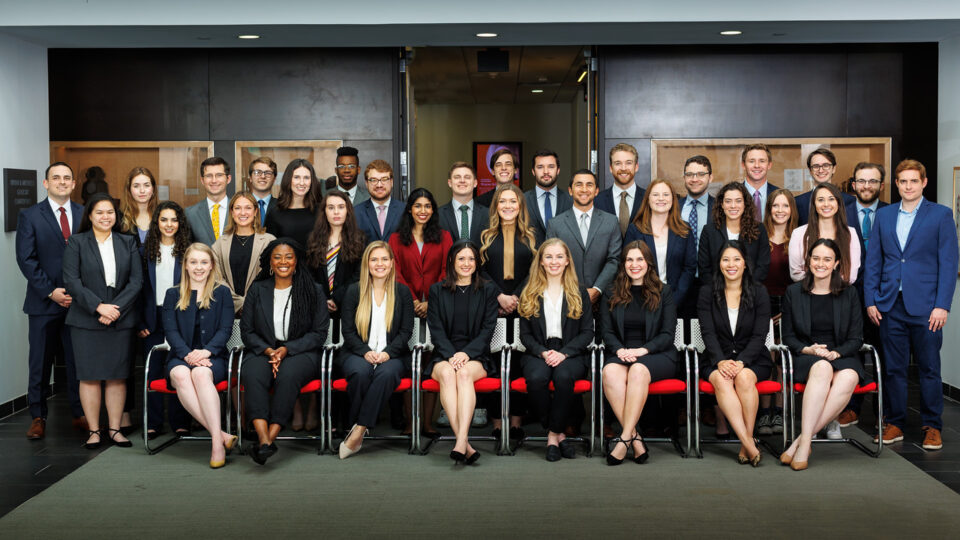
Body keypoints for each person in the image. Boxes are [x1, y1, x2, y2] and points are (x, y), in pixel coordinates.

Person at [865, 159, 958, 450]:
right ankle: (895, 423)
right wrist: (871, 300)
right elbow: (874, 261)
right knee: (894, 369)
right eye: (903, 181)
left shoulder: (941, 215)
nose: (908, 186)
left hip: (928, 306)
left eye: (913, 181)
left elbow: (948, 262)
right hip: (890, 305)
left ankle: (932, 426)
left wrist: (942, 305)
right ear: (896, 183)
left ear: (924, 183)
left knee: (929, 368)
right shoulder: (885, 215)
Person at [62, 193, 143, 449]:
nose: (106, 217)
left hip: (120, 319)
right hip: (86, 320)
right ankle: (95, 431)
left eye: (110, 212)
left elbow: (136, 281)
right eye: (99, 212)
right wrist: (99, 307)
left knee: (118, 376)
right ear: (90, 216)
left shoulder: (128, 242)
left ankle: (116, 430)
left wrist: (114, 309)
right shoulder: (76, 242)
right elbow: (72, 282)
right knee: (89, 377)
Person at [240, 239, 329, 464]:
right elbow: (247, 331)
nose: (283, 261)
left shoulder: (313, 291)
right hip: (264, 350)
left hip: (301, 351)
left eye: (288, 256)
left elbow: (319, 334)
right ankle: (264, 440)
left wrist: (286, 349)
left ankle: (269, 439)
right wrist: (270, 350)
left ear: (296, 261)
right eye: (277, 257)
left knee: (288, 375)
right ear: (270, 261)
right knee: (252, 374)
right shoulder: (257, 289)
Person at [779, 239, 865, 470]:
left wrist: (837, 352)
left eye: (827, 259)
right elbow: (788, 336)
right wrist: (809, 349)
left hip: (842, 353)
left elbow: (857, 338)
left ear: (836, 263)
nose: (820, 263)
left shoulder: (849, 293)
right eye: (816, 258)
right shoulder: (794, 292)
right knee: (822, 368)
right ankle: (806, 441)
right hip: (808, 355)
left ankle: (802, 440)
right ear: (808, 261)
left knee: (848, 377)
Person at [15, 162, 86, 439]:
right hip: (44, 302)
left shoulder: (83, 214)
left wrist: (78, 293)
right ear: (46, 183)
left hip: (79, 303)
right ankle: (37, 416)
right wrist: (51, 291)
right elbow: (26, 258)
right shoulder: (30, 215)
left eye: (67, 178)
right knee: (40, 361)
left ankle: (80, 413)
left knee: (78, 360)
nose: (62, 182)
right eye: (56, 178)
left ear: (73, 183)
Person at [599, 240, 678, 465]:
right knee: (610, 373)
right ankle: (636, 439)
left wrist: (643, 350)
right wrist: (621, 350)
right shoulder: (611, 292)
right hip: (622, 352)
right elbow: (606, 331)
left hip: (657, 353)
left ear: (648, 262)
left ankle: (623, 439)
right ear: (623, 264)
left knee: (638, 371)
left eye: (640, 259)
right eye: (630, 260)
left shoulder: (665, 292)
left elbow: (667, 334)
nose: (635, 264)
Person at [697, 240, 772, 466]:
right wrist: (720, 360)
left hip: (753, 357)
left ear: (745, 264)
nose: (731, 264)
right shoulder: (707, 292)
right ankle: (750, 444)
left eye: (736, 259)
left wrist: (742, 362)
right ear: (719, 264)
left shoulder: (759, 292)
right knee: (722, 379)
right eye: (726, 259)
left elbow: (760, 335)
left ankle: (744, 441)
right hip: (715, 356)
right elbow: (707, 332)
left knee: (745, 377)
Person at [161, 243, 237, 468]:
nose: (198, 267)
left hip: (213, 356)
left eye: (204, 262)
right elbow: (171, 331)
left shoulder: (222, 292)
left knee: (202, 375)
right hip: (179, 356)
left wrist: (206, 352)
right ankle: (220, 436)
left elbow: (226, 329)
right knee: (183, 375)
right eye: (193, 262)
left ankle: (216, 442)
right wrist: (187, 355)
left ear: (212, 265)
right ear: (185, 265)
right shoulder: (172, 293)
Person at [337, 241, 415, 458]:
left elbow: (406, 331)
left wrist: (388, 353)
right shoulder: (354, 291)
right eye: (374, 259)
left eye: (384, 259)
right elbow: (348, 331)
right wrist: (365, 352)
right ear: (367, 264)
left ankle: (358, 430)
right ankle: (358, 427)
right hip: (357, 352)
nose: (379, 264)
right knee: (360, 372)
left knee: (386, 373)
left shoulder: (403, 292)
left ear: (391, 263)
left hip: (393, 354)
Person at [517, 239, 593, 461]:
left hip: (570, 351)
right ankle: (559, 434)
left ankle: (551, 436)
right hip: (538, 350)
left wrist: (565, 353)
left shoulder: (579, 292)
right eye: (548, 257)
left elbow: (587, 333)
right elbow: (525, 336)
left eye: (559, 256)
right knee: (536, 378)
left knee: (563, 376)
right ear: (540, 261)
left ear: (568, 260)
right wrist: (542, 352)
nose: (554, 261)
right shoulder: (529, 291)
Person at [426, 241, 500, 465]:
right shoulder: (437, 290)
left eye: (471, 259)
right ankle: (463, 442)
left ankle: (460, 441)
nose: (466, 263)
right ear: (451, 261)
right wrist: (452, 355)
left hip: (476, 355)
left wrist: (466, 354)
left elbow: (488, 329)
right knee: (449, 374)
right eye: (461, 258)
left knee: (464, 374)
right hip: (443, 354)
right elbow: (436, 329)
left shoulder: (488, 290)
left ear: (477, 263)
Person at [479, 184, 538, 439]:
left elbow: (537, 271)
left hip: (522, 308)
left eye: (513, 201)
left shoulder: (533, 236)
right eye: (502, 201)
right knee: (494, 364)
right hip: (494, 309)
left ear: (520, 206)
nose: (508, 206)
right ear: (496, 206)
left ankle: (516, 422)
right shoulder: (485, 236)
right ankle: (497, 423)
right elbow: (478, 271)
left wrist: (516, 297)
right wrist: (499, 296)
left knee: (518, 365)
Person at [837, 162, 889, 429]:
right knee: (851, 351)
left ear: (881, 185)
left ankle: (885, 412)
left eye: (873, 181)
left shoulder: (893, 213)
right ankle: (851, 408)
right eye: (862, 181)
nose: (867, 186)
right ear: (853, 185)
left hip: (886, 295)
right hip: (849, 295)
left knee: (886, 354)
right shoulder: (840, 214)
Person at [139, 201, 192, 439]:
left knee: (180, 368)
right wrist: (140, 322)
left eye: (174, 220)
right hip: (152, 318)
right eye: (164, 220)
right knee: (154, 371)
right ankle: (154, 422)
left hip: (181, 317)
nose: (169, 225)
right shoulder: (144, 251)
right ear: (156, 222)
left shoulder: (189, 251)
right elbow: (138, 290)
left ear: (180, 223)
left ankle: (181, 421)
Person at [755, 188, 798, 436]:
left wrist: (788, 311)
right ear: (769, 209)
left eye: (785, 206)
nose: (780, 210)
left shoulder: (800, 236)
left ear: (792, 210)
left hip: (789, 304)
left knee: (782, 360)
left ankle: (779, 412)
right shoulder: (760, 236)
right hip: (761, 303)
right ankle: (763, 412)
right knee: (764, 358)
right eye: (775, 206)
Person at [546, 169, 621, 308]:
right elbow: (551, 261)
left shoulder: (611, 222)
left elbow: (614, 259)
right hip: (566, 298)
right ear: (570, 190)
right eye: (579, 184)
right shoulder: (555, 224)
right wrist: (573, 290)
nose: (584, 189)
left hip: (604, 300)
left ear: (596, 191)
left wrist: (597, 289)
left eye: (589, 185)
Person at [624, 178, 696, 307]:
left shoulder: (684, 230)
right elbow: (628, 265)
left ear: (673, 199)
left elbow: (689, 268)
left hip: (676, 301)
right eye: (655, 195)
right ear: (648, 199)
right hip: (642, 301)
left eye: (666, 194)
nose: (661, 198)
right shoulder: (635, 230)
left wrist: (674, 299)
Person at [389, 188, 453, 319]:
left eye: (427, 206)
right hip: (404, 305)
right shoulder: (395, 239)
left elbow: (448, 270)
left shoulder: (445, 237)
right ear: (409, 209)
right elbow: (395, 272)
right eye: (417, 206)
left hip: (438, 305)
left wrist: (431, 302)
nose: (423, 211)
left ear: (433, 210)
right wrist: (413, 300)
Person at [211, 192, 276, 314]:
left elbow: (271, 277)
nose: (242, 213)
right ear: (231, 212)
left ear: (255, 211)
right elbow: (216, 277)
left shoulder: (269, 241)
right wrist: (239, 303)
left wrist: (250, 302)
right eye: (237, 208)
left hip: (261, 309)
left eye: (248, 208)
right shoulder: (220, 243)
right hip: (228, 309)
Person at [306, 190, 367, 320]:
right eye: (331, 207)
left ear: (348, 211)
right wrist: (323, 299)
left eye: (341, 207)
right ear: (324, 212)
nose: (336, 212)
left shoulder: (360, 239)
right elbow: (309, 274)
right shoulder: (313, 239)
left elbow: (359, 274)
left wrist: (337, 298)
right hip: (319, 307)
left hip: (350, 306)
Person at [698, 182, 770, 286]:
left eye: (738, 201)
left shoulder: (759, 229)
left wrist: (744, 289)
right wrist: (721, 291)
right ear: (722, 204)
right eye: (728, 201)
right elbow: (704, 269)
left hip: (751, 292)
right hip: (716, 293)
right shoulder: (709, 231)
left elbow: (763, 266)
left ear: (745, 204)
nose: (733, 206)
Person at [788, 183, 860, 284]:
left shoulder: (851, 233)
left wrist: (826, 284)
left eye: (831, 199)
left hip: (840, 294)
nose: (826, 204)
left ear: (838, 203)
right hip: (808, 294)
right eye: (820, 200)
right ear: (814, 204)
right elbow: (795, 274)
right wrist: (820, 286)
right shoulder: (798, 234)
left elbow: (851, 276)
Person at [265, 158, 323, 247]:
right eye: (296, 177)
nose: (302, 183)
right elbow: (270, 250)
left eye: (306, 178)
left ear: (312, 181)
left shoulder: (321, 211)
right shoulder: (275, 213)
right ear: (288, 179)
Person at [596, 143, 647, 238]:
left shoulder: (648, 199)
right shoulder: (597, 200)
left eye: (628, 163)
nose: (623, 168)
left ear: (636, 167)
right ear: (611, 168)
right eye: (618, 163)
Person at [794, 148, 856, 226]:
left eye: (826, 165)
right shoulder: (797, 202)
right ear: (810, 170)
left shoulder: (850, 201)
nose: (821, 170)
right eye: (816, 166)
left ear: (833, 169)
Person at [524, 149, 572, 245]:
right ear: (533, 171)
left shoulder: (571, 200)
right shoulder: (522, 200)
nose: (546, 172)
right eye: (540, 167)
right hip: (531, 258)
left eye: (551, 167)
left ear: (558, 170)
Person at [438, 162, 490, 245]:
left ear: (475, 183)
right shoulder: (437, 215)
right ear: (450, 183)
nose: (462, 181)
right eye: (457, 177)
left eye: (467, 177)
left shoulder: (488, 214)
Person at [185, 156, 231, 246]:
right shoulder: (190, 214)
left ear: (228, 179)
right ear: (202, 180)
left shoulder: (241, 211)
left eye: (219, 175)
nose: (214, 180)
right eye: (209, 176)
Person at [355, 160, 404, 243]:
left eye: (384, 179)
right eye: (373, 180)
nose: (379, 185)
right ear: (366, 183)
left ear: (391, 182)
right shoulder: (355, 213)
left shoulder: (405, 211)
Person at [740, 144, 782, 221]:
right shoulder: (732, 195)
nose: (757, 165)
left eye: (762, 161)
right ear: (743, 165)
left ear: (769, 165)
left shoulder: (780, 195)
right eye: (751, 161)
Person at [118, 166, 158, 244]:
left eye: (147, 185)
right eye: (136, 186)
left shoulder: (161, 215)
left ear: (153, 188)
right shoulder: (119, 218)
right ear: (129, 190)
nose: (142, 190)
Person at [247, 157, 279, 227]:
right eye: (258, 172)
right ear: (250, 178)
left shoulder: (282, 206)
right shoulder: (240, 206)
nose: (263, 176)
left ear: (274, 179)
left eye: (268, 173)